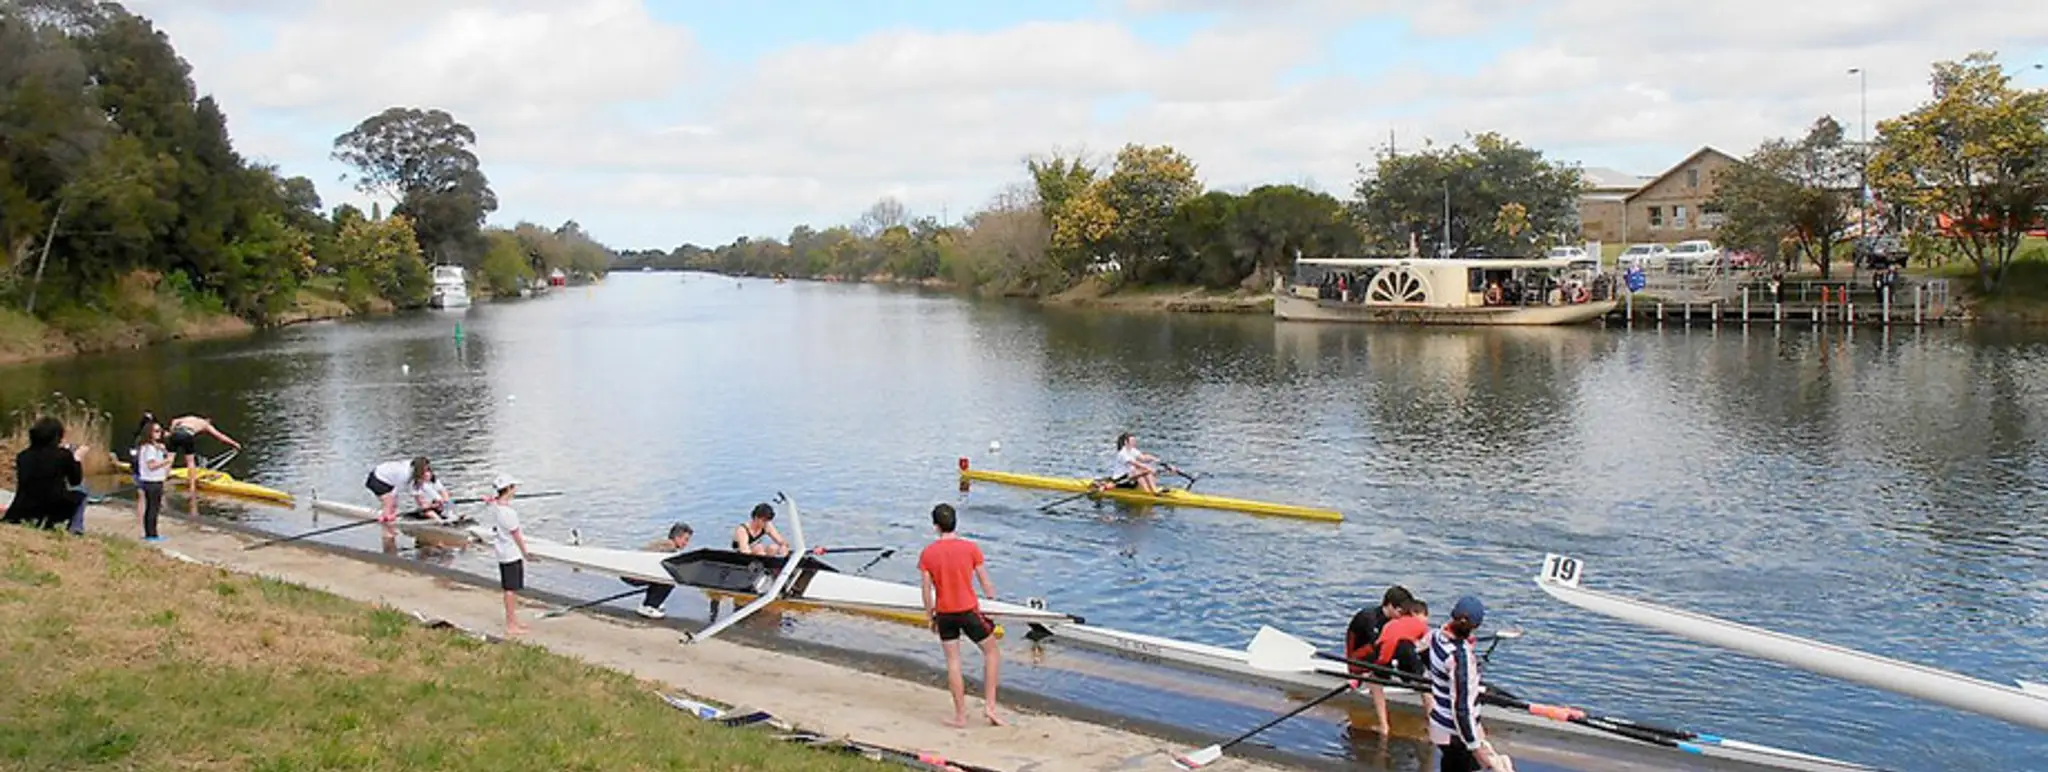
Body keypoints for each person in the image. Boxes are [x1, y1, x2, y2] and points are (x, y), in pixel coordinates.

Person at [918, 503, 1004, 728]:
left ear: (936, 526)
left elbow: (926, 590)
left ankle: (960, 716)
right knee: (992, 652)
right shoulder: (971, 548)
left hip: (945, 614)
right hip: (968, 611)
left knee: (953, 662)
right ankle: (990, 707)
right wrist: (993, 602)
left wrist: (930, 616)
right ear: (955, 522)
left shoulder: (928, 553)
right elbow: (985, 582)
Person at [1427, 596, 1512, 772]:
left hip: (1438, 724)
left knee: (1450, 763)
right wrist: (1474, 745)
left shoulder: (1435, 636)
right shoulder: (1460, 658)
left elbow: (1421, 650)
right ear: (1475, 626)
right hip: (1456, 732)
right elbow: (1461, 707)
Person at [1347, 585, 1417, 736]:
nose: (1402, 616)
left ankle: (1414, 680)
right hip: (1356, 661)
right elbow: (1377, 647)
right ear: (1390, 606)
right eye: (1400, 612)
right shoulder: (1369, 617)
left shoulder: (1392, 621)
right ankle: (1384, 725)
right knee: (1380, 668)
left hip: (1376, 656)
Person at [2, 418, 88, 532]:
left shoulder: (22, 456)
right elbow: (75, 480)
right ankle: (76, 528)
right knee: (82, 492)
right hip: (53, 507)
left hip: (22, 508)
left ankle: (45, 523)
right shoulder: (63, 455)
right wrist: (77, 459)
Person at [483, 474, 530, 636]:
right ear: (508, 489)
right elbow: (516, 534)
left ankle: (514, 621)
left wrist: (490, 499)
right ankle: (511, 624)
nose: (515, 490)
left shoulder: (496, 507)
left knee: (512, 589)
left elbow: (493, 502)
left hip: (503, 551)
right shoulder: (508, 513)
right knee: (510, 589)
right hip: (510, 553)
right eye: (513, 487)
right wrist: (526, 552)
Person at [627, 522, 693, 619]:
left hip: (631, 570)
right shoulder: (670, 549)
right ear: (677, 537)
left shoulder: (663, 543)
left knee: (661, 574)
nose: (686, 543)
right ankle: (650, 606)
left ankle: (651, 603)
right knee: (669, 579)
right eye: (685, 540)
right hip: (634, 574)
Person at [165, 414, 241, 494]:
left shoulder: (190, 417)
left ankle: (162, 481)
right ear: (208, 420)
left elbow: (174, 421)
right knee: (191, 462)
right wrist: (235, 444)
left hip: (176, 433)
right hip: (187, 434)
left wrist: (171, 432)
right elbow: (220, 436)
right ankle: (192, 487)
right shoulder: (206, 424)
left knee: (169, 459)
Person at [365, 457, 432, 526]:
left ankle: (388, 517)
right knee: (390, 502)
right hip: (377, 478)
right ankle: (386, 522)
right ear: (419, 469)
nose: (427, 472)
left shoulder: (413, 471)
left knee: (393, 505)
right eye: (425, 470)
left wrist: (426, 505)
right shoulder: (404, 474)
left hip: (388, 479)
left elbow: (417, 494)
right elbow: (394, 493)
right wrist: (391, 508)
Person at [134, 420, 171, 542]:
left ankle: (151, 533)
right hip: (152, 481)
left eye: (160, 431)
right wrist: (166, 462)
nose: (159, 433)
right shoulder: (149, 448)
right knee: (153, 508)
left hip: (151, 481)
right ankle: (151, 534)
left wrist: (163, 451)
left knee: (152, 507)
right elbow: (151, 465)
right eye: (156, 431)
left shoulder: (152, 447)